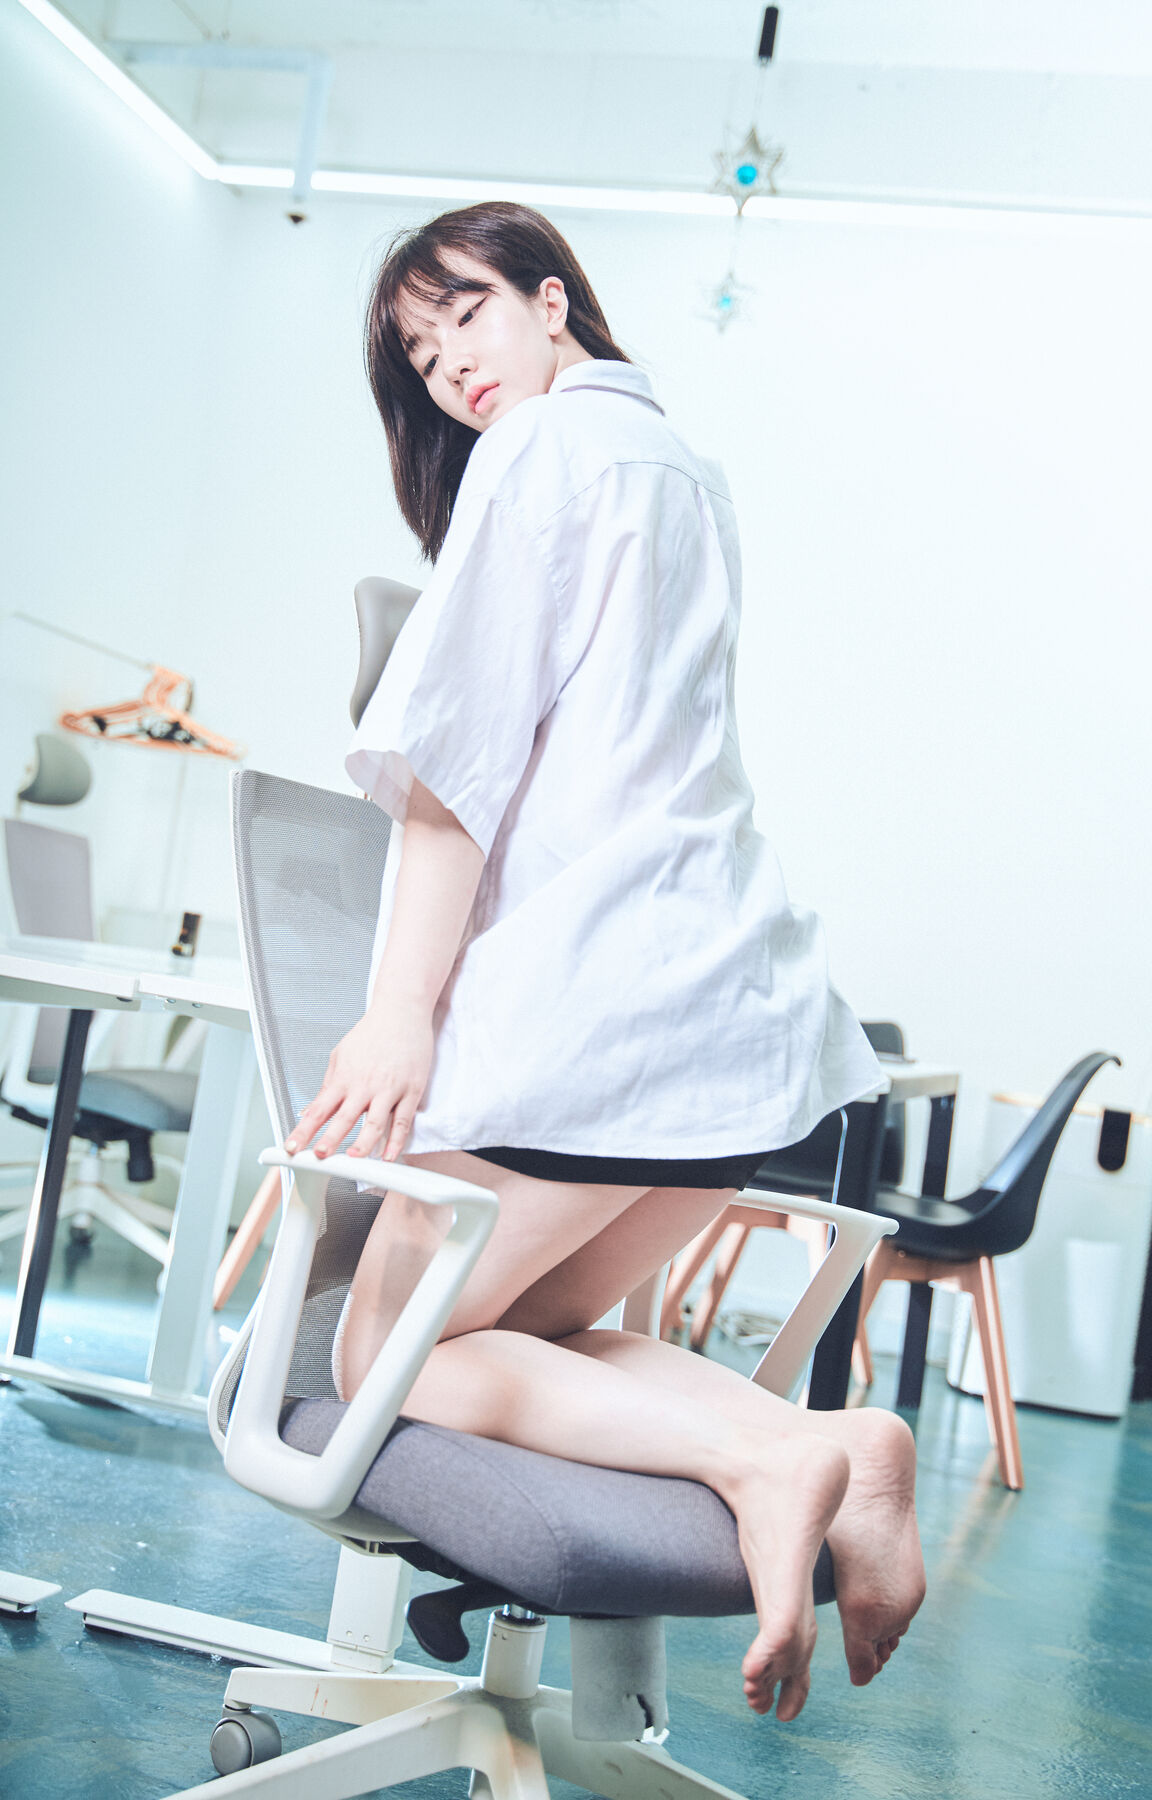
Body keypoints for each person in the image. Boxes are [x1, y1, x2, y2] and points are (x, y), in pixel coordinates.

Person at [283, 201, 925, 1724]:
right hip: (737, 1032)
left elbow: (451, 777)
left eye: (466, 316)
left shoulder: (540, 449)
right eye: (420, 360)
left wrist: (396, 1015)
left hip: (599, 1017)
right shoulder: (682, 468)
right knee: (526, 1337)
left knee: (385, 1354)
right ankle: (835, 1451)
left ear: (552, 300)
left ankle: (769, 1454)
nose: (451, 369)